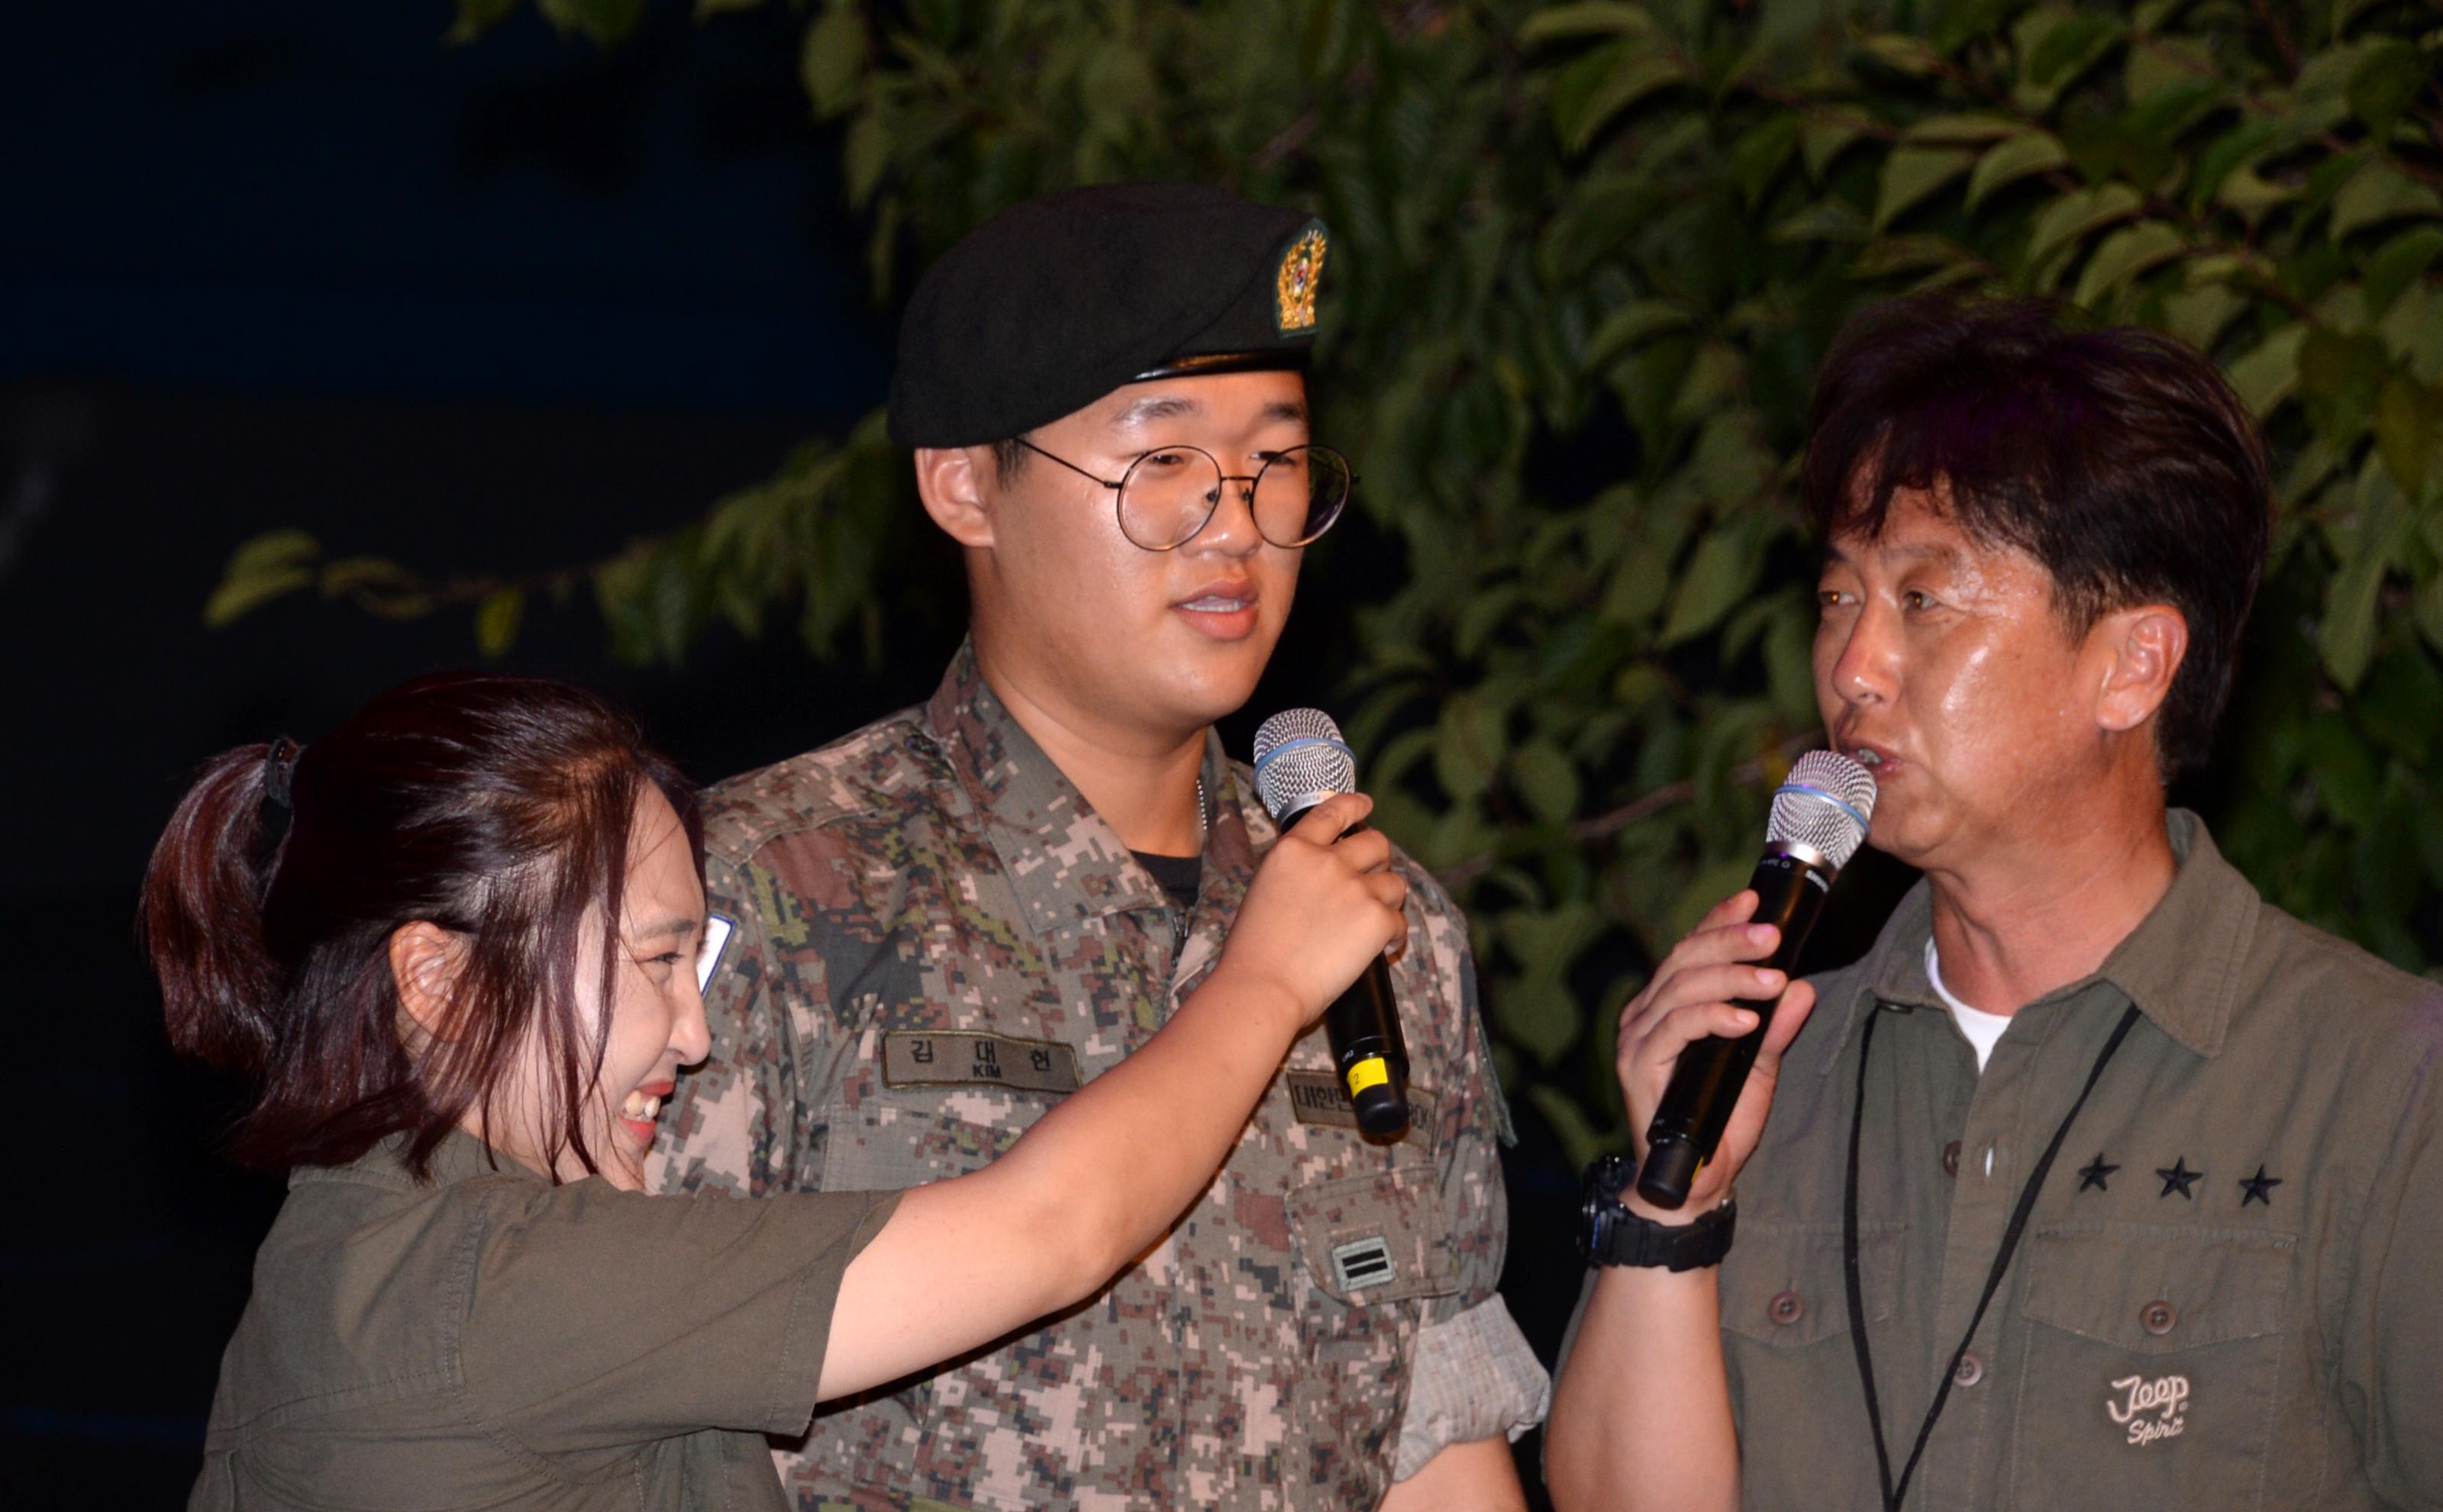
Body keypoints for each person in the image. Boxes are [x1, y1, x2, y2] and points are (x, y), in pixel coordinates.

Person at [649, 182, 1548, 1510]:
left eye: (1276, 462)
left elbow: (1432, 1426)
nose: (1235, 525)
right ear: (967, 489)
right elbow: (632, 1402)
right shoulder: (769, 889)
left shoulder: (1378, 921)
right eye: (1165, 461)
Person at [1544, 295, 2443, 1510]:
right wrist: (1673, 1202)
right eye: (1837, 599)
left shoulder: (2382, 1087)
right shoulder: (1766, 1077)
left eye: (1923, 599)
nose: (1852, 669)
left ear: (2131, 665)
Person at [145, 670, 1409, 1509]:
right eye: (652, 963)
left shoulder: (378, 1254)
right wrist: (1267, 981)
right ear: (435, 977)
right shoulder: (495, 1280)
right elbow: (1051, 1233)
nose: (693, 1036)